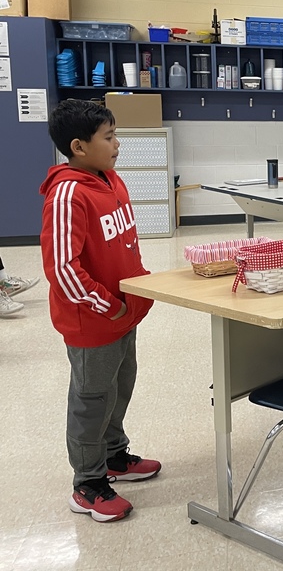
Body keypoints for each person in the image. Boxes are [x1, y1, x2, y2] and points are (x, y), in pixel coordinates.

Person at [41, 99, 162, 524]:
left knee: (119, 386)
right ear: (78, 146)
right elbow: (62, 268)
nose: (117, 144)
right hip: (95, 320)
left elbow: (124, 244)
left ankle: (113, 456)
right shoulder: (67, 193)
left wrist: (137, 290)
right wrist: (107, 305)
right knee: (92, 399)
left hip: (124, 313)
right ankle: (87, 483)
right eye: (108, 137)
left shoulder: (110, 179)